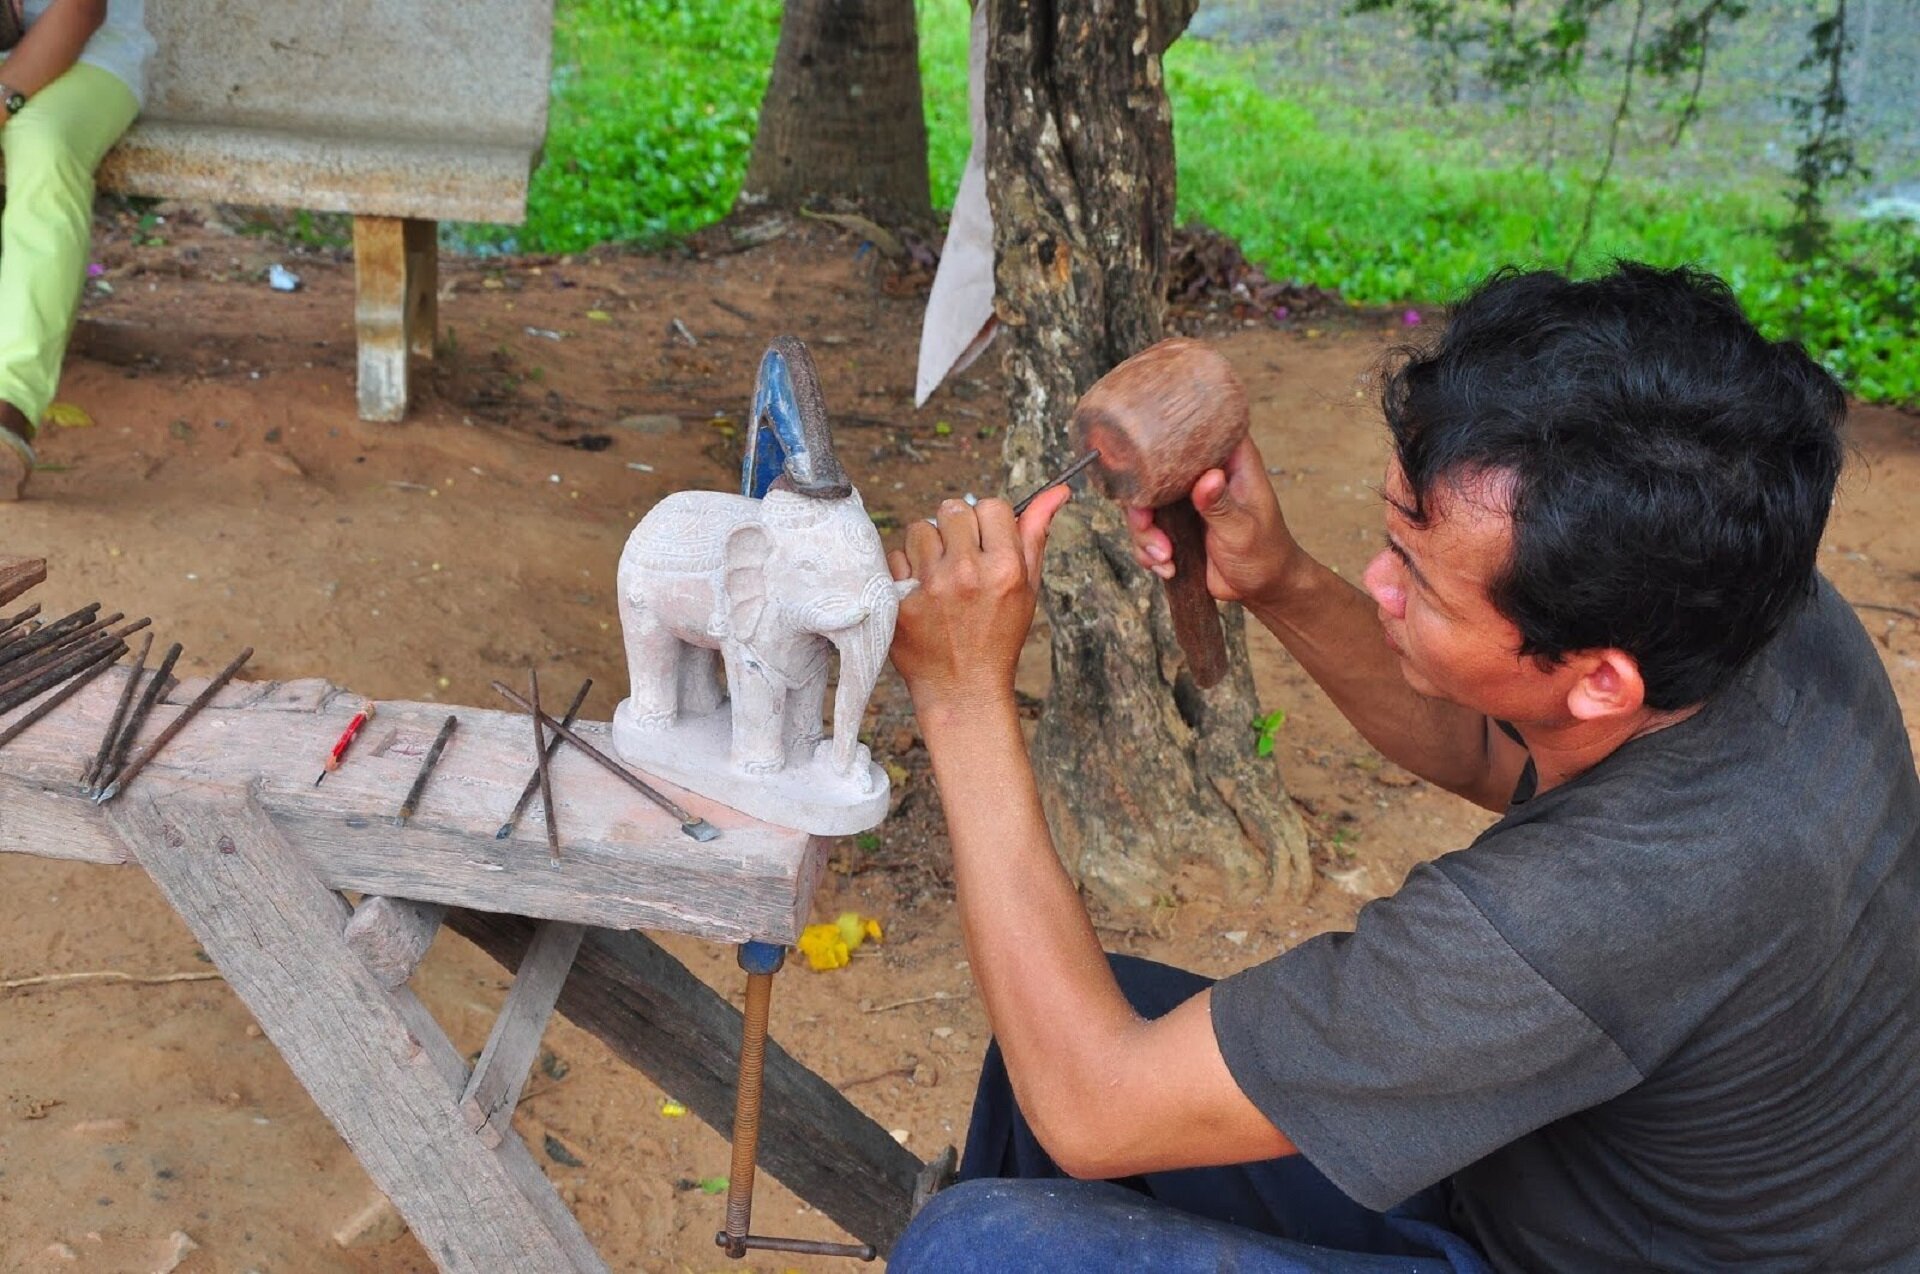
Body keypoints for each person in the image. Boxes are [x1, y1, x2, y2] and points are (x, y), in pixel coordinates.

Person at [882, 263, 1920, 1271]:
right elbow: (1488, 743)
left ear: (1602, 678)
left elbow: (1093, 1108)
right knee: (1065, 1011)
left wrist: (962, 696)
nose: (1379, 580)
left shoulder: (1587, 913)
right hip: (1601, 1172)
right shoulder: (1735, 595)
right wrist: (1279, 578)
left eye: (1416, 577)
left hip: (1593, 1243)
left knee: (974, 1248)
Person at [0, 0, 154, 499]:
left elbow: (80, 10)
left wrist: (2, 99)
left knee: (46, 150)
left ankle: (10, 403)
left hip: (86, 56)